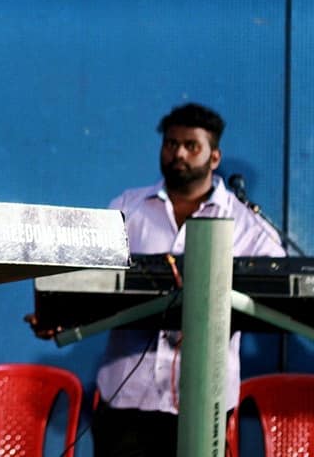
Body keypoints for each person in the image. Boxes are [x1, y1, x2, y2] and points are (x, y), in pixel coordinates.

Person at [91, 103, 286, 456]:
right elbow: (86, 280)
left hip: (205, 403)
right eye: (171, 144)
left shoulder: (247, 223)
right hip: (126, 397)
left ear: (214, 157)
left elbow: (280, 289)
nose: (178, 153)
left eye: (191, 146)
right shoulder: (126, 208)